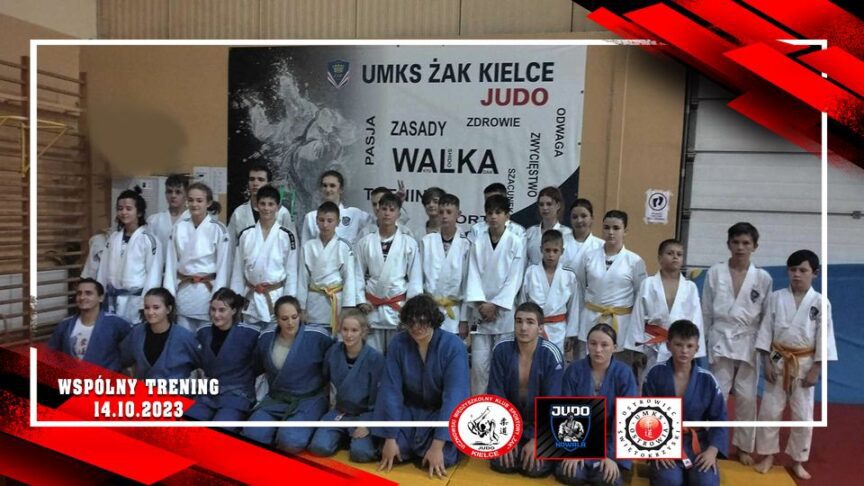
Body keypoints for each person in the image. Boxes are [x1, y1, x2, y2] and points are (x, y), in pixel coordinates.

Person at [754, 250, 837, 480]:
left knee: (803, 415)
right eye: (793, 270)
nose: (797, 274)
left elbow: (824, 338)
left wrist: (816, 369)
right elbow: (766, 330)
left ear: (815, 273)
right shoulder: (776, 298)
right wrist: (765, 362)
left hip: (804, 362)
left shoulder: (820, 302)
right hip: (777, 358)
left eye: (803, 270)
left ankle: (798, 460)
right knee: (770, 411)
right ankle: (767, 455)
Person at [375, 294, 470, 479]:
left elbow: (454, 397)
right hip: (409, 412)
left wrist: (438, 445)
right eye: (411, 322)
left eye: (422, 321)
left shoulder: (454, 346)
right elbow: (390, 390)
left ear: (433, 320)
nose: (416, 327)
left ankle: (435, 446)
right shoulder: (398, 344)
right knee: (391, 450)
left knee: (445, 457)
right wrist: (390, 437)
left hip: (439, 413)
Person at [701, 222, 772, 465]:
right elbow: (706, 311)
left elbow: (766, 318)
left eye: (746, 243)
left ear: (755, 246)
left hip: (749, 342)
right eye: (736, 242)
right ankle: (713, 444)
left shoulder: (763, 278)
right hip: (720, 338)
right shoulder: (715, 272)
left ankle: (743, 446)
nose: (740, 247)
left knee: (747, 398)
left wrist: (764, 350)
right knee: (717, 395)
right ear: (728, 244)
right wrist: (702, 344)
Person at [243, 296, 333, 453]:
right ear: (277, 319)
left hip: (308, 399)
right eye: (284, 319)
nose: (290, 323)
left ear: (300, 315)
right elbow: (256, 367)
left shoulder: (318, 336)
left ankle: (292, 431)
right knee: (252, 435)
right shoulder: (266, 337)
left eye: (294, 317)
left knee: (290, 441)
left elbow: (333, 365)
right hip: (276, 398)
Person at [643, 320, 728, 486]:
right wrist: (657, 449)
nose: (684, 350)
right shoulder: (655, 374)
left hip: (698, 443)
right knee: (669, 481)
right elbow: (645, 414)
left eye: (689, 346)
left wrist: (712, 450)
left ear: (697, 348)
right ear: (668, 345)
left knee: (706, 482)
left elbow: (720, 419)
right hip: (664, 441)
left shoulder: (707, 380)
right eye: (678, 345)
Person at [556, 323, 638, 486]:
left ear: (615, 347)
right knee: (572, 474)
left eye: (604, 345)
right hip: (579, 437)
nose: (598, 349)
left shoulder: (624, 374)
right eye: (593, 344)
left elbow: (625, 420)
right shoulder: (574, 370)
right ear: (587, 345)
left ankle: (609, 465)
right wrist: (574, 450)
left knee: (606, 479)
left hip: (611, 440)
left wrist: (611, 456)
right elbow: (566, 412)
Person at [488, 302, 563, 478]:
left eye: (530, 322)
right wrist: (506, 436)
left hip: (540, 426)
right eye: (519, 321)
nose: (523, 327)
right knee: (502, 464)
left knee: (535, 468)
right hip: (510, 424)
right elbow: (496, 395)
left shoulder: (551, 354)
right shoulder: (501, 349)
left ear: (540, 328)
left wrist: (538, 439)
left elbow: (552, 403)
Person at [465, 194, 527, 394]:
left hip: (503, 312)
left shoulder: (515, 242)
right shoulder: (478, 242)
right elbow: (472, 274)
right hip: (480, 311)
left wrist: (496, 305)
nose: (493, 217)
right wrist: (481, 304)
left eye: (498, 212)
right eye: (490, 212)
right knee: (479, 366)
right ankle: (479, 404)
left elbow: (515, 278)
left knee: (503, 365)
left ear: (507, 216)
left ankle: (502, 404)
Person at [624, 239, 706, 385]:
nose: (675, 257)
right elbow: (638, 316)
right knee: (649, 384)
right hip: (652, 346)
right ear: (660, 258)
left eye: (679, 254)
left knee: (678, 384)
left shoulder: (690, 287)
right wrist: (637, 349)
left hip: (681, 344)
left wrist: (694, 349)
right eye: (670, 253)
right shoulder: (648, 283)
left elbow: (696, 320)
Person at [308, 309, 385, 462]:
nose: (349, 335)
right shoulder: (333, 352)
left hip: (364, 415)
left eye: (354, 330)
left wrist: (369, 424)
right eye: (345, 329)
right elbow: (324, 380)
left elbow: (381, 399)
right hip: (340, 411)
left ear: (363, 332)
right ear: (340, 329)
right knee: (319, 447)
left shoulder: (375, 359)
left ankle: (354, 439)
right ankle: (341, 435)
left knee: (361, 454)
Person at [575, 210, 646, 364]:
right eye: (606, 227)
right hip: (591, 317)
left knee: (618, 366)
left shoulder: (635, 261)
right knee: (588, 364)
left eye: (616, 228)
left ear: (625, 231)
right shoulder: (589, 256)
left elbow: (640, 297)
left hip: (621, 322)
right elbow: (580, 288)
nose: (611, 232)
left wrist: (637, 335)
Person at [355, 192, 423, 354]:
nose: (387, 213)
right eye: (384, 209)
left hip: (398, 309)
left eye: (392, 210)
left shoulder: (409, 243)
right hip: (372, 307)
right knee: (372, 358)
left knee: (398, 357)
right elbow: (357, 274)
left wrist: (410, 311)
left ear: (399, 213)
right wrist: (360, 301)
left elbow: (415, 278)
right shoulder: (365, 242)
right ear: (377, 211)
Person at [164, 182, 233, 332]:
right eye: (191, 200)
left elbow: (223, 267)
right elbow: (170, 264)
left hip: (208, 292)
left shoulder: (219, 229)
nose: (194, 204)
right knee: (183, 337)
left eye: (199, 200)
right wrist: (169, 295)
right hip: (184, 290)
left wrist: (219, 298)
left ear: (208, 203)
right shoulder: (178, 228)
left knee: (207, 337)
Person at [230, 185, 298, 329]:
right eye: (263, 203)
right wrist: (235, 300)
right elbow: (237, 272)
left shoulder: (286, 236)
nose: (266, 208)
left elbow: (291, 273)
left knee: (272, 339)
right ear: (256, 205)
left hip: (275, 298)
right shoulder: (245, 235)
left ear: (278, 207)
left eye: (271, 204)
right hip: (250, 299)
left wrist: (289, 303)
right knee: (248, 338)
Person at [186, 288, 260, 422]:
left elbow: (260, 364)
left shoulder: (250, 334)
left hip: (237, 394)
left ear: (233, 310)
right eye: (213, 309)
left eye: (222, 310)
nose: (216, 315)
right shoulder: (203, 332)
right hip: (208, 394)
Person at [96, 188, 163, 325]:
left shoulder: (149, 240)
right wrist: (99, 295)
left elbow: (154, 275)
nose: (124, 212)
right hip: (112, 298)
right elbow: (103, 270)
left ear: (139, 212)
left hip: (135, 301)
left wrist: (146, 305)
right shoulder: (113, 238)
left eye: (128, 208)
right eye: (120, 209)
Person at [297, 201, 358, 335]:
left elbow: (349, 278)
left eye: (330, 221)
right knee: (313, 337)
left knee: (335, 339)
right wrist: (301, 307)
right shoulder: (308, 247)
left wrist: (347, 307)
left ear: (338, 222)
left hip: (336, 302)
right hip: (314, 302)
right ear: (316, 221)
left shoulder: (344, 246)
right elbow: (302, 279)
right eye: (321, 220)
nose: (325, 225)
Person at [47, 278, 132, 372]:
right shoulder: (65, 325)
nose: (82, 297)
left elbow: (130, 353)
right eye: (79, 293)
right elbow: (51, 354)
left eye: (88, 293)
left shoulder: (116, 323)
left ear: (101, 298)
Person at [119, 287, 201, 379]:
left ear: (168, 309)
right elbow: (122, 359)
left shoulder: (184, 337)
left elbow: (202, 362)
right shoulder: (137, 333)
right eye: (147, 307)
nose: (150, 312)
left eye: (156, 308)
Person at [521, 229, 580, 355]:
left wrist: (571, 334)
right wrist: (523, 326)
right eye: (547, 250)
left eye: (555, 251)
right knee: (532, 361)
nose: (551, 255)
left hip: (558, 329)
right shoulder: (531, 272)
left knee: (556, 361)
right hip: (533, 328)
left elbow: (574, 307)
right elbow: (523, 302)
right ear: (541, 249)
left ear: (562, 251)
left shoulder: (569, 275)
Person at [419, 193, 471, 336]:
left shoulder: (466, 244)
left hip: (453, 310)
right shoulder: (427, 241)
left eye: (449, 212)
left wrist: (464, 319)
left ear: (458, 214)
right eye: (441, 212)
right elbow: (418, 278)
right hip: (429, 309)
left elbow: (468, 283)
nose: (444, 216)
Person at [300, 170, 375, 245]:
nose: (328, 189)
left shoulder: (354, 214)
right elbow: (305, 246)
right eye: (324, 186)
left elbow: (377, 223)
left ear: (341, 189)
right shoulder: (311, 217)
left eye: (332, 186)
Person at [227, 163, 294, 245]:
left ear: (268, 183)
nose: (255, 183)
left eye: (260, 179)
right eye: (252, 179)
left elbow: (292, 243)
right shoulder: (239, 213)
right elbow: (230, 245)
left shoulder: (282, 213)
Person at [525, 186, 573, 266]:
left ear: (558, 205)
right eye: (541, 204)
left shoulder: (567, 234)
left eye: (549, 204)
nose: (545, 208)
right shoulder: (530, 233)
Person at [146, 174, 190, 253]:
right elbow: (148, 250)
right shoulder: (154, 220)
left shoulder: (192, 220)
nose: (173, 196)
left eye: (178, 192)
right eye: (169, 192)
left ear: (186, 195)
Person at [561, 198, 604, 269]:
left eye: (583, 216)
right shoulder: (560, 241)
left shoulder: (601, 246)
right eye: (575, 217)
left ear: (592, 218)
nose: (579, 220)